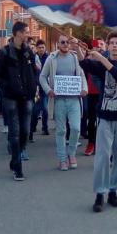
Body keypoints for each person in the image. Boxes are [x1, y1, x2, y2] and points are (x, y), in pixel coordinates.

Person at [76, 31, 117, 213]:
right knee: (102, 157)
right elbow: (85, 63)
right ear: (108, 46)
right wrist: (77, 46)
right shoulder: (102, 64)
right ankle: (100, 193)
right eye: (112, 43)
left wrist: (102, 58)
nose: (115, 46)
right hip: (105, 118)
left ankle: (113, 191)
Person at [0, 22, 37, 181]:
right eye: (25, 32)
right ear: (17, 33)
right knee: (15, 133)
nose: (27, 35)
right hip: (10, 98)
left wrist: (33, 87)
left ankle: (14, 157)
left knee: (25, 132)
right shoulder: (4, 52)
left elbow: (33, 71)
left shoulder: (27, 51)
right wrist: (8, 86)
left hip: (26, 97)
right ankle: (18, 167)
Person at [39, 35, 87, 171]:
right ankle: (62, 159)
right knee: (61, 131)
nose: (65, 44)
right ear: (58, 44)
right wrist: (48, 90)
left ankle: (71, 154)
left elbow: (82, 75)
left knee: (76, 128)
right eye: (63, 42)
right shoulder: (52, 58)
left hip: (74, 99)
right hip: (59, 100)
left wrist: (84, 88)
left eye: (67, 42)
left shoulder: (74, 57)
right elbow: (42, 76)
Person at [84, 38, 107, 156]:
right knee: (92, 120)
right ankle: (91, 143)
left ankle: (101, 145)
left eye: (102, 44)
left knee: (103, 122)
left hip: (104, 94)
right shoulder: (88, 59)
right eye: (97, 45)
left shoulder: (107, 60)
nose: (99, 47)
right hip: (91, 94)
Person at [30, 39, 49, 137]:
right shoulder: (33, 58)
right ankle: (33, 126)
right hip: (36, 87)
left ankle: (45, 127)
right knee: (36, 109)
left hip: (45, 87)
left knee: (45, 109)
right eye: (39, 47)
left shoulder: (49, 58)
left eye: (43, 47)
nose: (41, 49)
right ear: (36, 48)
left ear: (45, 48)